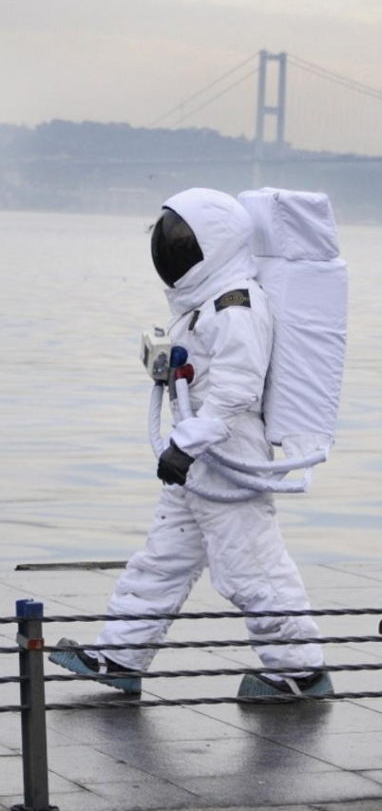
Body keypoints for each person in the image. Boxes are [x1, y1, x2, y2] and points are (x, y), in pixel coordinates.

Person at [50, 187, 331, 698]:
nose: (172, 252)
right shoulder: (207, 302)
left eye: (183, 243)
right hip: (200, 452)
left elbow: (237, 389)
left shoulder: (236, 303)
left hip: (226, 452)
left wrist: (187, 444)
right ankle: (121, 654)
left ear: (215, 245)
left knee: (250, 564)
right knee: (163, 557)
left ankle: (301, 669)